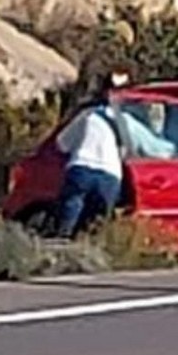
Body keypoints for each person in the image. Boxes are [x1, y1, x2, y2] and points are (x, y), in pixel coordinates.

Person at [53, 70, 131, 239]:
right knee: (96, 226)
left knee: (69, 214)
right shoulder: (126, 121)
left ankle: (62, 243)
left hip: (81, 169)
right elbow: (128, 152)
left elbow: (61, 143)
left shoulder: (87, 115)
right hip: (110, 176)